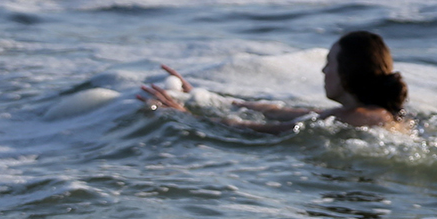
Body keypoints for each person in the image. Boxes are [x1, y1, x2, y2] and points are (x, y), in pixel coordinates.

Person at [140, 30, 413, 133]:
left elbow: (269, 129)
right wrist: (203, 98)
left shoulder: (361, 118)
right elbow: (277, 111)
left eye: (330, 62)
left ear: (347, 72)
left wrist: (189, 117)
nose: (323, 71)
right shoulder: (355, 114)